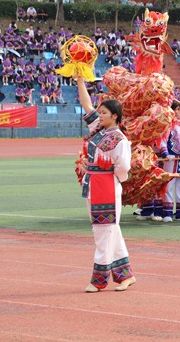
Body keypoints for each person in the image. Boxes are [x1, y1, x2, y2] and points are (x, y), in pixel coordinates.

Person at [76, 76, 135, 293]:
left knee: (103, 233)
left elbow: (123, 168)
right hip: (93, 185)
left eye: (103, 113)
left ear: (115, 116)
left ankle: (99, 280)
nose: (99, 116)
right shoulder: (98, 130)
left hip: (106, 188)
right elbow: (86, 105)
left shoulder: (120, 140)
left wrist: (104, 172)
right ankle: (125, 275)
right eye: (99, 113)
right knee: (110, 232)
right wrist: (80, 81)